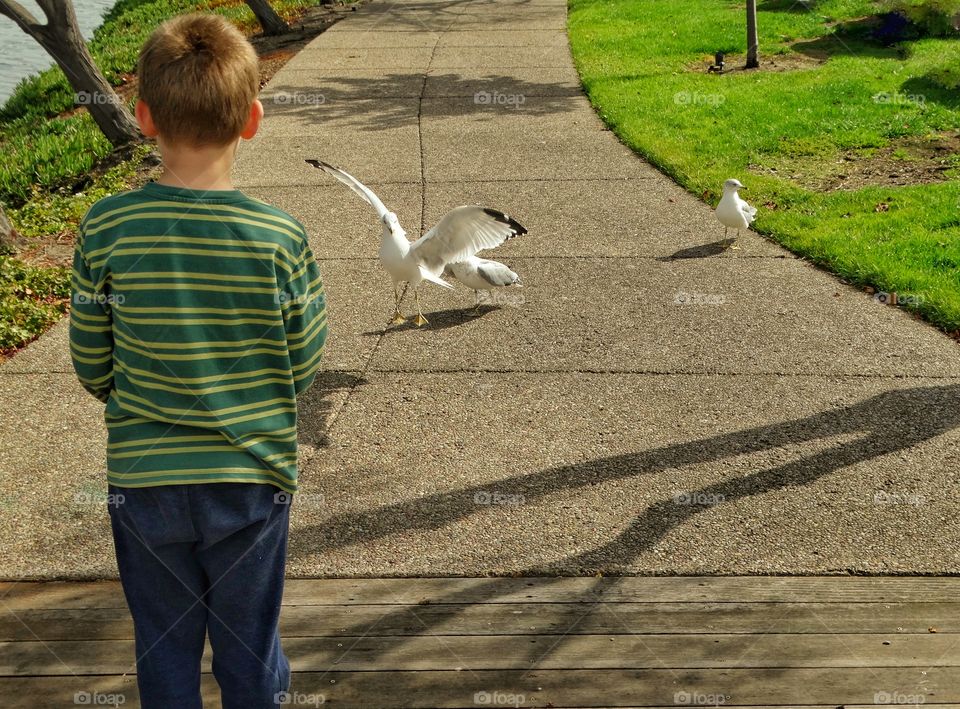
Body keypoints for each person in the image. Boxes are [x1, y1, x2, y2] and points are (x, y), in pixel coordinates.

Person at [68, 13, 327, 708]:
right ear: (253, 120)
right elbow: (302, 361)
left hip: (145, 482)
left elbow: (92, 361)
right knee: (249, 649)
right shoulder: (279, 237)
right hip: (250, 480)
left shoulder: (107, 226)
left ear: (144, 115)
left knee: (164, 645)